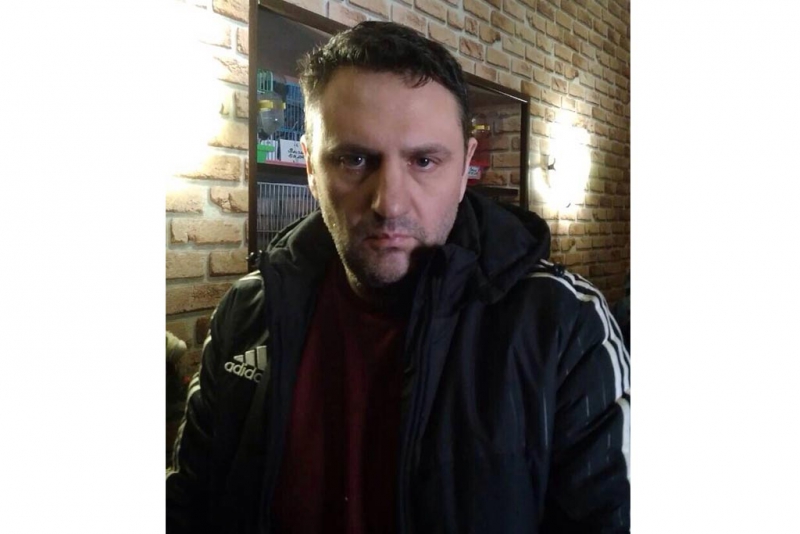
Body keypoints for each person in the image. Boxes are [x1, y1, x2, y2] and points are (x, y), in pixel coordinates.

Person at [167, 20, 630, 534]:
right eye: (354, 159)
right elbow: (187, 505)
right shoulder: (247, 312)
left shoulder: (565, 328)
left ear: (465, 170)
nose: (389, 203)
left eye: (424, 161)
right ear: (311, 169)